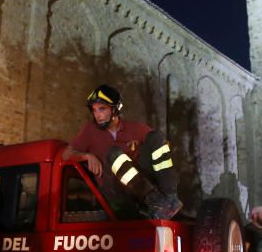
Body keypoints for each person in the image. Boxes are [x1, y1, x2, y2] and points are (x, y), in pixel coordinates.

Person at [62, 85, 182, 219]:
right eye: (94, 110)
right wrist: (87, 156)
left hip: (141, 188)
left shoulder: (135, 128)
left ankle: (169, 199)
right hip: (117, 197)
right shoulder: (89, 131)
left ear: (115, 109)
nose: (97, 115)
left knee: (156, 137)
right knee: (113, 153)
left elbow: (162, 145)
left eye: (102, 109)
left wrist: (139, 150)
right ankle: (155, 202)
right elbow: (66, 154)